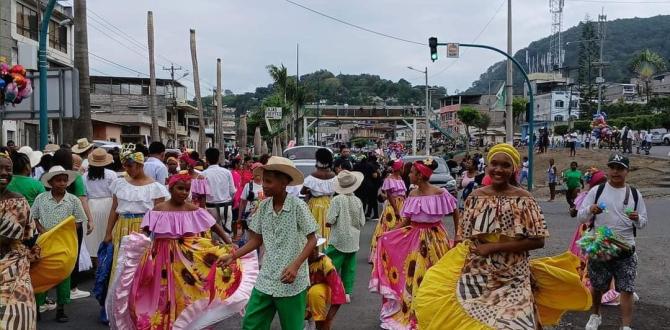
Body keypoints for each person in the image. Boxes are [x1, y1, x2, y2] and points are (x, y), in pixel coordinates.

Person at [414, 143, 591, 330]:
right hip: (478, 272)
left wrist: (493, 247)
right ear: (487, 166)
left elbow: (538, 240)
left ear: (514, 169)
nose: (498, 169)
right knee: (471, 320)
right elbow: (467, 237)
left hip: (513, 275)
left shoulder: (524, 199)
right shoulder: (475, 197)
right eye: (494, 164)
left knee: (514, 323)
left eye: (505, 165)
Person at [106, 173, 249, 329]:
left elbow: (213, 224)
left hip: (186, 259)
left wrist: (229, 242)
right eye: (180, 188)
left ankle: (186, 323)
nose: (184, 193)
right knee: (164, 292)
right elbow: (146, 231)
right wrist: (136, 244)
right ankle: (167, 322)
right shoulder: (159, 209)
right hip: (161, 257)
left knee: (185, 292)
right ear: (171, 188)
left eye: (187, 190)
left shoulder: (191, 209)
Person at [217, 156, 318, 329]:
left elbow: (312, 240)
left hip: (291, 279)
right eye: (264, 181)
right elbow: (256, 240)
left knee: (292, 326)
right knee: (251, 323)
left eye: (269, 181)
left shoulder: (298, 206)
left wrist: (295, 266)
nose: (263, 185)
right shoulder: (263, 207)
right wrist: (232, 256)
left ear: (284, 183)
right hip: (267, 275)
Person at [369, 158, 460, 329]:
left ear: (419, 175)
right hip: (415, 240)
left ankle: (435, 311)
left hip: (436, 239)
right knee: (414, 276)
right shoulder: (412, 194)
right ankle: (415, 312)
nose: (408, 174)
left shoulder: (440, 192)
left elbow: (455, 211)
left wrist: (458, 234)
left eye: (411, 172)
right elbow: (407, 221)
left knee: (436, 275)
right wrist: (389, 235)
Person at [577, 154, 647, 330]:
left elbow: (644, 223)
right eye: (612, 167)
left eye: (620, 168)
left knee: (627, 288)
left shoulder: (635, 194)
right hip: (601, 246)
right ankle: (595, 315)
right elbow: (580, 216)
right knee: (597, 285)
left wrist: (637, 218)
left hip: (626, 248)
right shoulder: (597, 191)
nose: (615, 172)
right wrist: (590, 209)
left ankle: (626, 326)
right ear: (608, 170)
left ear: (627, 171)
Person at [102, 149, 169, 282]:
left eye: (130, 166)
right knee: (121, 266)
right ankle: (120, 300)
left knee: (142, 265)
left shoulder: (156, 188)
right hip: (122, 228)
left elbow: (159, 216)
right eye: (125, 166)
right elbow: (114, 209)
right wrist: (108, 232)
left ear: (140, 165)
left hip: (145, 229)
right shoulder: (119, 184)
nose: (127, 169)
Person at [31, 166, 88, 322]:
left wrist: (63, 232)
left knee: (64, 275)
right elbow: (34, 217)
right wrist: (43, 231)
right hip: (45, 242)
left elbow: (78, 220)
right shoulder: (41, 198)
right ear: (50, 182)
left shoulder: (73, 200)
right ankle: (37, 307)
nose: (62, 183)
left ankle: (61, 309)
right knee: (40, 273)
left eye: (65, 180)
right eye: (58, 180)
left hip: (65, 244)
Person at [51, 148, 95, 300]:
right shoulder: (74, 177)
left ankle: (52, 286)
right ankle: (72, 288)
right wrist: (90, 219)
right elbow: (82, 199)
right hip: (72, 222)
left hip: (52, 222)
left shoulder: (48, 177)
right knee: (72, 253)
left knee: (54, 253)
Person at [0, 152, 38, 329]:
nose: (4, 173)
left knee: (19, 315)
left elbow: (16, 236)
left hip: (14, 267)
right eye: (0, 168)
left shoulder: (18, 201)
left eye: (8, 169)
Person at [325, 170, 366, 301]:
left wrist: (329, 223)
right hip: (353, 239)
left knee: (331, 266)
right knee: (350, 267)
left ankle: (332, 290)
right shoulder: (358, 201)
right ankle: (347, 292)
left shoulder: (337, 200)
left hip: (338, 238)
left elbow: (330, 219)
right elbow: (362, 221)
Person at [305, 237, 347, 330]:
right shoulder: (295, 261)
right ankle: (307, 320)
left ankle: (318, 322)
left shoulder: (325, 261)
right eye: (311, 248)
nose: (315, 251)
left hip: (319, 294)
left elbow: (338, 290)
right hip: (302, 295)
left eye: (316, 248)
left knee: (315, 292)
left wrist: (328, 320)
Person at [82, 148, 117, 256]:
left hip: (91, 207)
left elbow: (84, 197)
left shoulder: (84, 176)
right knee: (107, 234)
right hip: (108, 206)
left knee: (93, 239)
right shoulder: (111, 174)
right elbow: (115, 194)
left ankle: (95, 264)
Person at [370, 160, 405, 263]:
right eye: (402, 167)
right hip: (393, 205)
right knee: (389, 225)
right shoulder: (389, 179)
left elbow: (404, 194)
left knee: (401, 226)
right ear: (399, 168)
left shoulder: (400, 178)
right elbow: (389, 195)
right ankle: (383, 251)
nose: (404, 170)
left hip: (402, 204)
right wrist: (395, 209)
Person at [301, 148, 336, 246]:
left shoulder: (313, 176)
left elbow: (302, 191)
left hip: (315, 204)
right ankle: (328, 245)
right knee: (328, 226)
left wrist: (311, 191)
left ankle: (315, 247)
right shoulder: (333, 176)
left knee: (315, 228)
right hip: (329, 203)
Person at [202, 148, 236, 232]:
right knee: (227, 235)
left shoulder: (203, 174)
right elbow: (232, 191)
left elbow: (201, 195)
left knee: (213, 237)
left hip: (211, 207)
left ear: (206, 159)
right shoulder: (227, 172)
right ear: (218, 158)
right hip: (226, 206)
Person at [237, 163, 265, 240]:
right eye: (255, 171)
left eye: (260, 170)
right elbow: (242, 203)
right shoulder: (248, 186)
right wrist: (239, 218)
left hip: (264, 217)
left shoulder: (266, 185)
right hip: (250, 218)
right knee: (249, 239)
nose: (258, 173)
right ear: (252, 172)